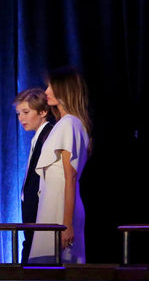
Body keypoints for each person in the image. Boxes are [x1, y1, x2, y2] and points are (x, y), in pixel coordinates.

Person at [28, 66, 91, 264]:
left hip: (61, 210)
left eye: (51, 87)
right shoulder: (63, 124)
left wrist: (67, 224)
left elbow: (69, 177)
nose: (46, 92)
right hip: (52, 207)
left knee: (60, 270)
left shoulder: (70, 124)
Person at [14, 88, 55, 264]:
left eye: (26, 112)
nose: (21, 118)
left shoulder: (48, 135)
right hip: (31, 211)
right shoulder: (38, 137)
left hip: (39, 211)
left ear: (43, 112)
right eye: (19, 113)